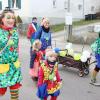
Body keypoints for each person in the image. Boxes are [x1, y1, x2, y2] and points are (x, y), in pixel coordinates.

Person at [0, 7, 22, 99]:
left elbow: (17, 49)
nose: (11, 20)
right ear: (2, 19)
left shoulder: (15, 32)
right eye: (8, 17)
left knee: (15, 94)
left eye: (13, 18)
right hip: (2, 68)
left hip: (14, 67)